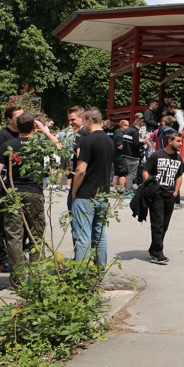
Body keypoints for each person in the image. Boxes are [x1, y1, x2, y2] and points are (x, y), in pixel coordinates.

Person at [0, 113, 56, 284]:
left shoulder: (8, 145)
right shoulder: (40, 143)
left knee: (14, 235)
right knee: (36, 234)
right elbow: (59, 148)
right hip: (35, 192)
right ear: (33, 127)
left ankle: (19, 278)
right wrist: (45, 131)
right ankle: (38, 277)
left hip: (13, 193)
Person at [71, 108, 115, 267]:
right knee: (100, 234)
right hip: (103, 193)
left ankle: (80, 274)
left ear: (89, 120)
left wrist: (74, 191)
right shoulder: (109, 141)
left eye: (83, 120)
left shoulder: (88, 141)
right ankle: (100, 269)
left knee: (82, 235)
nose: (82, 124)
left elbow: (80, 170)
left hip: (86, 194)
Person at [141, 130, 184, 264]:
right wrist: (151, 188)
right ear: (170, 141)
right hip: (157, 195)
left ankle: (154, 248)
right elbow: (145, 171)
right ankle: (157, 252)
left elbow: (179, 176)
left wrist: (176, 191)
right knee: (157, 224)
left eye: (181, 141)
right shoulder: (157, 155)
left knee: (164, 224)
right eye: (178, 141)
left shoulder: (178, 158)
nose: (181, 144)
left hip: (170, 195)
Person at [0, 105, 24, 273]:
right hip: (5, 186)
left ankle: (18, 257)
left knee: (22, 225)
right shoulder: (2, 135)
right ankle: (2, 259)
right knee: (3, 225)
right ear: (9, 120)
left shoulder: (28, 133)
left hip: (24, 186)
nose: (22, 120)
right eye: (18, 117)